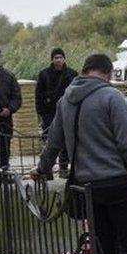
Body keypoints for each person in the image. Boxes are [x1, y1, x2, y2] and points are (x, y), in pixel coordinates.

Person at [29, 54, 127, 254]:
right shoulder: (111, 98)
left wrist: (40, 170)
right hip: (118, 182)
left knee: (102, 244)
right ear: (107, 73)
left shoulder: (65, 101)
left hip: (86, 185)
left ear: (83, 71)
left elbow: (54, 142)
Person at [35, 48, 78, 178]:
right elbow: (38, 95)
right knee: (49, 141)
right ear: (52, 59)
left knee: (66, 140)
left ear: (64, 59)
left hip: (66, 111)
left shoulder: (72, 74)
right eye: (56, 57)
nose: (58, 60)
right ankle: (46, 169)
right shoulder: (44, 75)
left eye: (60, 57)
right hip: (49, 113)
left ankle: (63, 168)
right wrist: (42, 112)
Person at [0, 47, 22, 171]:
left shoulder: (8, 76)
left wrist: (10, 109)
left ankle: (4, 170)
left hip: (4, 117)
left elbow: (17, 97)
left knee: (5, 145)